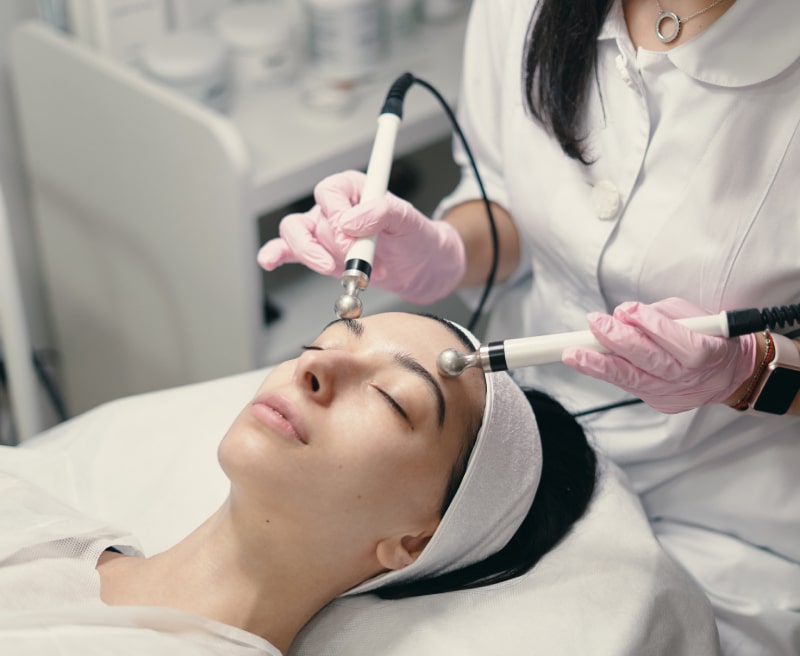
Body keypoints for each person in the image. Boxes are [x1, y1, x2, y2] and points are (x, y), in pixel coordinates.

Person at [256, 1, 800, 653]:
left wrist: (751, 374)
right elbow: (507, 193)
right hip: (522, 449)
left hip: (726, 512)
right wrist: (447, 249)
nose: (314, 369)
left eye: (395, 400)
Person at [0, 312, 597, 655]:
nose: (316, 365)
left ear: (414, 541)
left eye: (391, 398)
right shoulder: (28, 513)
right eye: (323, 342)